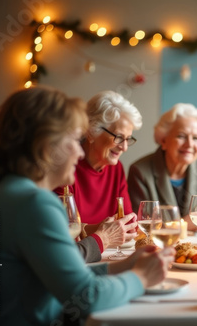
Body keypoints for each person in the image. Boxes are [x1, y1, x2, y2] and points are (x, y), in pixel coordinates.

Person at [0, 86, 174, 326]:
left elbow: (61, 276)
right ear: (45, 145)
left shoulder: (5, 191)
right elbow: (88, 297)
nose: (79, 150)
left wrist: (127, 265)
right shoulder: (34, 203)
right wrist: (141, 277)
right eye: (74, 140)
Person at [55, 90, 142, 258]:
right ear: (90, 132)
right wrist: (105, 233)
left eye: (128, 139)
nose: (124, 147)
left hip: (101, 256)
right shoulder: (66, 169)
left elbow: (129, 224)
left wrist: (95, 230)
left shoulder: (116, 169)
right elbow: (63, 230)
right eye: (118, 137)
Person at [128, 103, 197, 230]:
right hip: (158, 247)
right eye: (181, 136)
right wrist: (183, 225)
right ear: (164, 141)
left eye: (196, 138)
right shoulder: (140, 171)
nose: (189, 144)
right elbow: (140, 225)